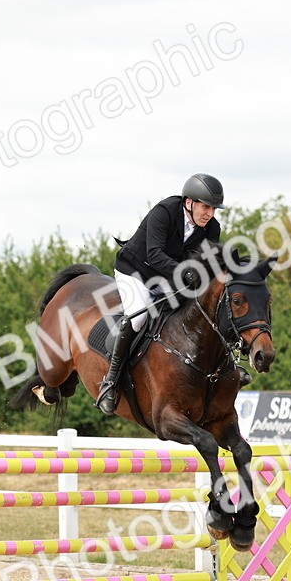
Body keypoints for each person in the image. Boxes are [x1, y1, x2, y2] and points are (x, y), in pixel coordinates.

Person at [96, 173, 226, 415]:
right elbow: (155, 255)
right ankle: (111, 381)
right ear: (189, 202)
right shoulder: (164, 212)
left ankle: (222, 368)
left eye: (213, 209)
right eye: (206, 207)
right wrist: (185, 272)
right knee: (138, 317)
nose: (210, 213)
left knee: (199, 310)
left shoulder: (212, 228)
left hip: (167, 278)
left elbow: (206, 264)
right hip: (135, 272)